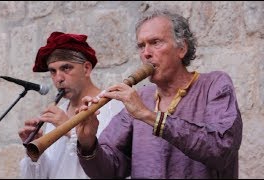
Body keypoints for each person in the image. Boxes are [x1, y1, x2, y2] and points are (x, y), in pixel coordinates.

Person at [75, 9, 243, 179]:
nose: (146, 53)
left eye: (155, 42)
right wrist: (88, 144)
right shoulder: (141, 97)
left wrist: (149, 116)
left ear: (182, 49)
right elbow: (110, 170)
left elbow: (222, 149)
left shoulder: (215, 85)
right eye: (141, 46)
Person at [18, 31, 124, 179]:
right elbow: (48, 172)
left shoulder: (112, 104)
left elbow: (112, 163)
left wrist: (67, 127)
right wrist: (35, 152)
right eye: (53, 71)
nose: (58, 78)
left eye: (66, 68)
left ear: (86, 68)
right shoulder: (58, 113)